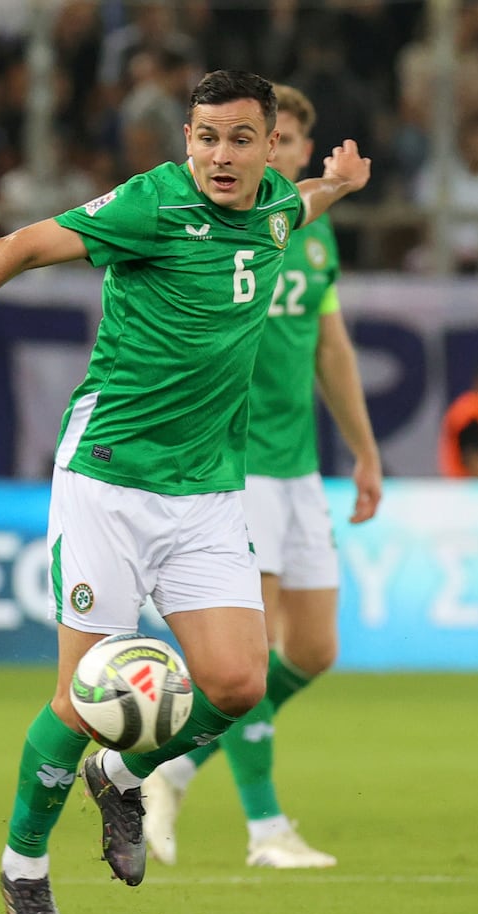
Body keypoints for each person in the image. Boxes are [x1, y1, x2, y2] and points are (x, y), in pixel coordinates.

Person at [0, 70, 370, 914]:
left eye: (238, 139)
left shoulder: (273, 214)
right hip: (108, 479)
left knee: (235, 683)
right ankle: (24, 866)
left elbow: (299, 204)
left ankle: (122, 774)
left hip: (210, 490)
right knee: (80, 696)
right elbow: (19, 243)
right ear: (187, 139)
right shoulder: (152, 204)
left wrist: (336, 186)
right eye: (205, 137)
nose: (219, 156)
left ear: (270, 145)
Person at [140, 84, 382, 871]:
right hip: (233, 467)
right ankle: (265, 826)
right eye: (255, 145)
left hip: (301, 467)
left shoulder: (311, 240)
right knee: (257, 646)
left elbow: (332, 349)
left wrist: (366, 449)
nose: (270, 157)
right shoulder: (215, 231)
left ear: (297, 149)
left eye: (281, 144)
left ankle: (170, 764)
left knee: (313, 650)